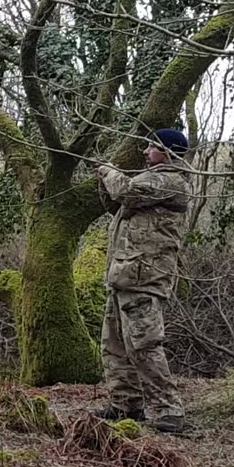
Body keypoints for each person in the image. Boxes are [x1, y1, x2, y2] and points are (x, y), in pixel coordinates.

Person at [93, 129, 194, 433]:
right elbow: (117, 204)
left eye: (152, 147)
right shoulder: (151, 180)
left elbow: (125, 191)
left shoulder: (170, 181)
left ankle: (168, 409)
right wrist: (103, 179)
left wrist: (108, 170)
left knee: (144, 345)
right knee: (115, 347)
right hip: (125, 277)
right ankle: (125, 405)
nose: (146, 152)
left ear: (169, 152)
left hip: (145, 278)